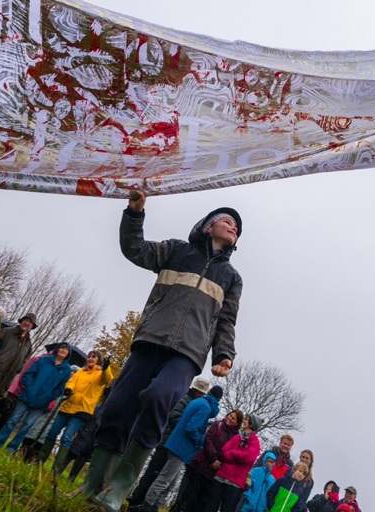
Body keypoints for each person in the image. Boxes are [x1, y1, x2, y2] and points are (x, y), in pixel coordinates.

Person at [86, 190, 244, 510]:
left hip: (187, 354)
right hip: (151, 340)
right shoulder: (176, 250)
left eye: (238, 229)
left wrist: (224, 354)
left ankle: (119, 488)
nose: (234, 228)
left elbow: (226, 322)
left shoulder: (231, 278)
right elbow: (135, 249)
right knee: (118, 404)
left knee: (159, 398)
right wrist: (134, 214)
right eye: (228, 222)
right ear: (207, 226)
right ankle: (95, 482)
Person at [133, 385, 223, 512]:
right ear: (217, 400)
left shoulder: (197, 402)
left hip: (175, 444)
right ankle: (147, 506)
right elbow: (191, 428)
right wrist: (200, 441)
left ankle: (155, 506)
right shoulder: (206, 408)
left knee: (171, 484)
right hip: (181, 448)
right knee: (164, 480)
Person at [41, 349, 116, 472]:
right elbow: (71, 381)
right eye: (89, 356)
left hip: (82, 410)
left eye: (94, 357)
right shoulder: (80, 371)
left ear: (99, 360)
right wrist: (69, 389)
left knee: (66, 437)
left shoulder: (100, 374)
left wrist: (106, 367)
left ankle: (56, 469)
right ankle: (40, 460)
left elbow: (107, 379)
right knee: (52, 433)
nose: (91, 358)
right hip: (68, 406)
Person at [0, 342, 73, 454]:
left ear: (68, 353)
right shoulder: (44, 360)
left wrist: (49, 397)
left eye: (66, 349)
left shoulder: (66, 370)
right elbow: (28, 374)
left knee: (27, 426)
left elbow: (60, 388)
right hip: (26, 396)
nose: (63, 350)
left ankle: (12, 448)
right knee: (13, 420)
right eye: (61, 348)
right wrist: (29, 387)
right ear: (57, 349)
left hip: (41, 403)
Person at [174, 407, 243, 512]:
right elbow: (208, 440)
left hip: (214, 474)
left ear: (237, 423)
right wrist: (213, 459)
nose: (229, 418)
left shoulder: (236, 437)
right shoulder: (217, 425)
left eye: (233, 418)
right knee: (189, 497)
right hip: (201, 466)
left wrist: (219, 462)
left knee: (202, 503)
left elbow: (231, 453)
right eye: (230, 415)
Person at [209, 414, 263, 512]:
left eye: (246, 420)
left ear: (251, 425)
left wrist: (233, 453)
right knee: (210, 507)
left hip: (236, 482)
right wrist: (236, 457)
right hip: (221, 476)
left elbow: (247, 457)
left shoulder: (255, 442)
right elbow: (224, 451)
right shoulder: (237, 437)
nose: (244, 421)